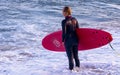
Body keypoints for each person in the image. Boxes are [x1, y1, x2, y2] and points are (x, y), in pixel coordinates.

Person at [61, 6, 80, 71]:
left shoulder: (64, 21)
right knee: (76, 56)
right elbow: (78, 30)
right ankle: (78, 69)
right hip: (75, 40)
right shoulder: (75, 19)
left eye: (63, 11)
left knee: (70, 58)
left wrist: (63, 41)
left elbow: (64, 32)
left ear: (66, 12)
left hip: (68, 41)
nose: (62, 13)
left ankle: (71, 71)